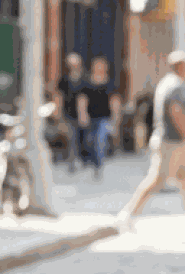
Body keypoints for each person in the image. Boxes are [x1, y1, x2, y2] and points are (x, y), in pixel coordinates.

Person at [117, 50, 185, 228]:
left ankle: (128, 214)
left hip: (169, 140)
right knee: (156, 180)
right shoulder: (176, 86)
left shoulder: (166, 83)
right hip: (172, 142)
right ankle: (127, 214)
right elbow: (176, 112)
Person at [76, 55, 120, 179]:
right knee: (89, 141)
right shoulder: (86, 83)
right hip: (91, 118)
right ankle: (92, 162)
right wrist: (82, 114)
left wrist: (116, 120)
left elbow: (115, 102)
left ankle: (99, 165)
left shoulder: (110, 84)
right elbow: (82, 100)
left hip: (105, 118)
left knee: (100, 140)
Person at [55, 51, 87, 172]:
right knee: (72, 137)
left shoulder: (85, 79)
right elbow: (59, 96)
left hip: (83, 114)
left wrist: (84, 114)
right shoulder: (64, 79)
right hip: (68, 113)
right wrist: (58, 112)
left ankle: (83, 159)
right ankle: (72, 162)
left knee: (81, 138)